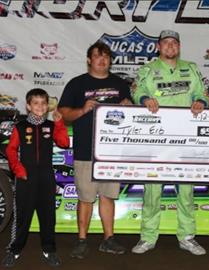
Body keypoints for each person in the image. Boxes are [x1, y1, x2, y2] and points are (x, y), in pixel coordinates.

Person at [131, 30, 209, 255]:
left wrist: (201, 102)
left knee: (186, 189)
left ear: (179, 47)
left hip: (185, 139)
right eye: (165, 42)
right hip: (155, 137)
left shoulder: (191, 68)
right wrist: (146, 99)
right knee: (152, 190)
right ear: (158, 47)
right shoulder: (148, 69)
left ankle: (187, 236)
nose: (170, 46)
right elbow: (137, 91)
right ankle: (147, 237)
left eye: (174, 42)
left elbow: (203, 91)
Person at [58, 42, 132, 259]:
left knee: (108, 196)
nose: (102, 60)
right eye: (98, 56)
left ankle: (108, 239)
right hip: (85, 150)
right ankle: (82, 239)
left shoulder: (120, 84)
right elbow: (63, 113)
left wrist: (129, 105)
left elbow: (133, 114)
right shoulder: (77, 83)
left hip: (112, 151)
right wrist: (82, 110)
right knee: (86, 198)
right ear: (89, 59)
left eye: (106, 56)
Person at [2, 88, 69, 267]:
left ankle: (49, 249)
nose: (40, 106)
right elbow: (10, 150)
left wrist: (60, 123)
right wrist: (18, 170)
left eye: (43, 103)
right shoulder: (21, 127)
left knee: (48, 216)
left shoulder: (51, 126)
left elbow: (64, 143)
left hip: (46, 177)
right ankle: (14, 250)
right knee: (22, 216)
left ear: (47, 106)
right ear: (29, 106)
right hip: (26, 178)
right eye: (36, 103)